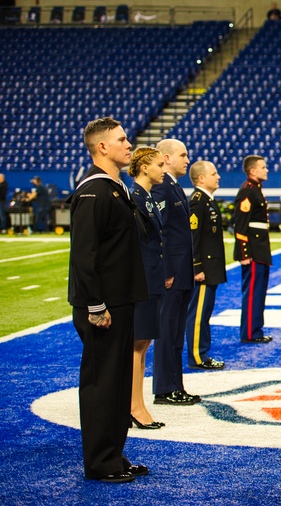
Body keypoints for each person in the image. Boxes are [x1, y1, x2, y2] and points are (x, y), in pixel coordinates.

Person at [68, 116, 149, 483]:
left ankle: (114, 454)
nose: (128, 144)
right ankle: (100, 462)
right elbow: (84, 257)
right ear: (102, 147)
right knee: (102, 384)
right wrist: (95, 306)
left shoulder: (115, 187)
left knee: (117, 383)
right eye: (121, 139)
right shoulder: (94, 190)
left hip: (121, 300)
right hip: (103, 306)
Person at [151, 139, 200, 406]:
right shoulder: (162, 187)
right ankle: (164, 388)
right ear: (166, 158)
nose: (187, 160)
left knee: (176, 333)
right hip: (172, 273)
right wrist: (167, 270)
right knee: (167, 333)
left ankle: (175, 385)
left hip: (182, 272)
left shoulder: (173, 186)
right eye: (182, 155)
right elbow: (161, 231)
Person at [128, 147, 171, 430]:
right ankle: (134, 406)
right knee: (137, 344)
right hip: (141, 278)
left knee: (143, 344)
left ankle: (136, 404)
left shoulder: (147, 199)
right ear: (144, 167)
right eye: (158, 165)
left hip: (150, 276)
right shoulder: (135, 198)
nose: (163, 170)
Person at [187, 160, 227, 370]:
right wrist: (197, 267)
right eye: (214, 173)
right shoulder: (198, 201)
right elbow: (193, 237)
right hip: (203, 269)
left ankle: (203, 351)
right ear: (201, 178)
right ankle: (197, 355)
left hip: (211, 268)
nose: (218, 176)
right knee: (198, 314)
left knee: (206, 313)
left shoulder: (207, 200)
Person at [233, 155, 273, 344]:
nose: (266, 170)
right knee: (252, 293)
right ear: (252, 171)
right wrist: (244, 253)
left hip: (261, 250)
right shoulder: (247, 191)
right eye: (263, 167)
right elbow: (240, 225)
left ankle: (255, 329)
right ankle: (250, 332)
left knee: (259, 292)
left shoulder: (256, 190)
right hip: (253, 252)